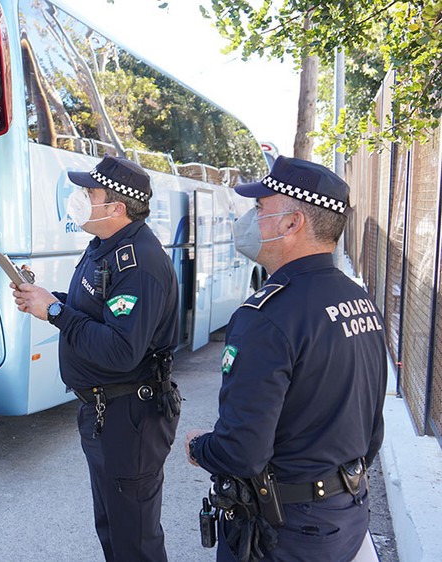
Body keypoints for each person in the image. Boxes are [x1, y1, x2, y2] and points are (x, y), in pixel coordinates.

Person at [185, 156, 387, 561]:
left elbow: (241, 452)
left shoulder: (267, 317)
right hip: (346, 516)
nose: (251, 217)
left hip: (285, 534)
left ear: (292, 223)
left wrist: (199, 447)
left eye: (261, 207)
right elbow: (371, 432)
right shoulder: (359, 299)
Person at [13, 155, 181, 561]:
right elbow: (94, 312)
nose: (81, 199)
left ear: (116, 207)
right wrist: (48, 300)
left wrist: (56, 312)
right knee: (112, 528)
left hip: (129, 417)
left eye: (90, 193)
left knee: (134, 540)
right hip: (105, 411)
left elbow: (121, 350)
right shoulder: (105, 247)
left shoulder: (139, 263)